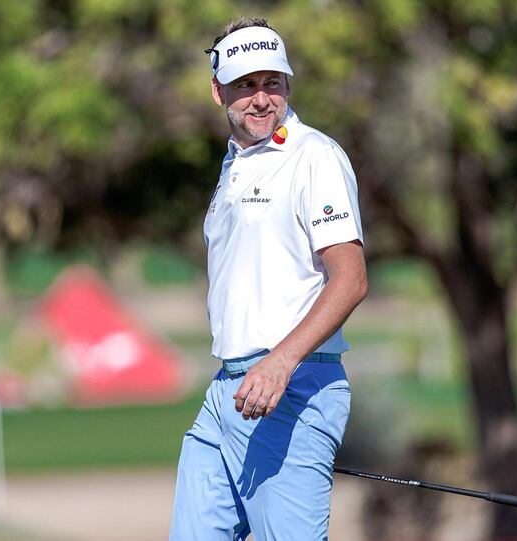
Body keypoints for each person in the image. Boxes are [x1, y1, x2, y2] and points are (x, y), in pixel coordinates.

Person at [169, 16, 368, 541]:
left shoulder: (313, 157)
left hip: (293, 388)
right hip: (227, 393)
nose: (261, 99)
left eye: (272, 83)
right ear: (219, 92)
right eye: (245, 85)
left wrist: (281, 362)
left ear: (288, 84)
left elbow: (349, 280)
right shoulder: (235, 164)